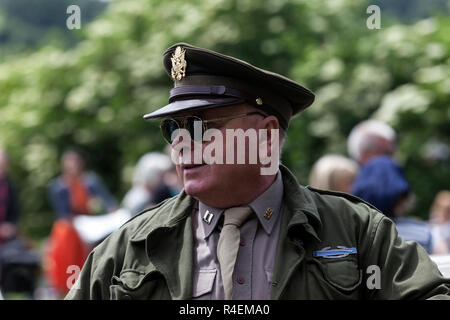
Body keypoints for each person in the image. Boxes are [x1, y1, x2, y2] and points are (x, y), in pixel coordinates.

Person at [66, 43, 450, 300]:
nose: (180, 144)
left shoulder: (356, 230)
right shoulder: (132, 246)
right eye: (172, 128)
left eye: (199, 126)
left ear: (266, 137)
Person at [48, 148, 118, 220]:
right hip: (73, 223)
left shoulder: (92, 180)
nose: (73, 166)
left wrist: (104, 209)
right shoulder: (58, 187)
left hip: (97, 219)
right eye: (70, 164)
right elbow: (62, 215)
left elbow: (109, 203)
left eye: (76, 162)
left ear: (81, 164)